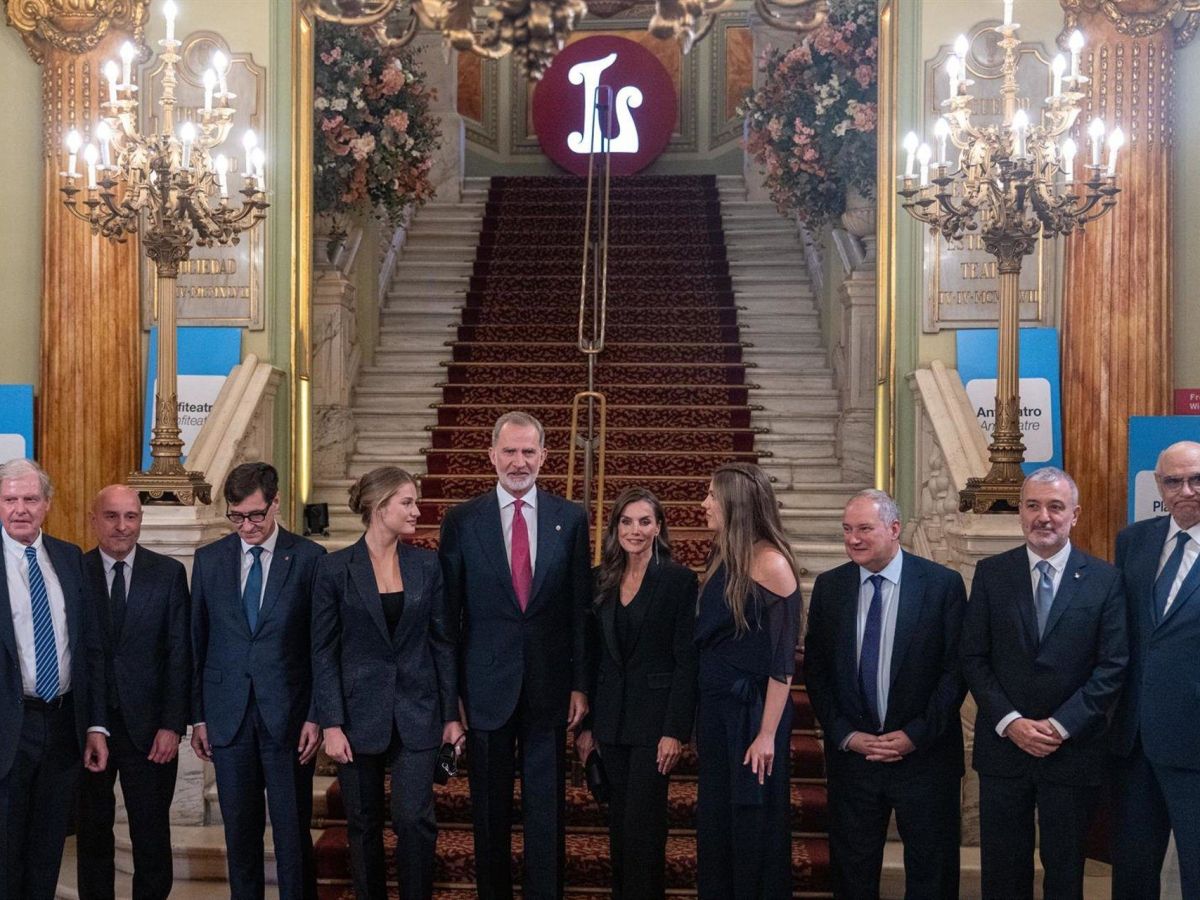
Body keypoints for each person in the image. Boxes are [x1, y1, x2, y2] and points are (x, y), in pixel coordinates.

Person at [438, 410, 591, 900]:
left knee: (547, 814)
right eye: (509, 451)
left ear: (544, 456)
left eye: (528, 451)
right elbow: (448, 620)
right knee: (489, 815)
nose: (519, 462)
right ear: (492, 455)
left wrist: (580, 684)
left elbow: (580, 611)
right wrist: (451, 700)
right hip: (484, 690)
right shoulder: (461, 521)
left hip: (549, 688)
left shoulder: (572, 519)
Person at [961, 467, 1127, 900]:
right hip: (1004, 749)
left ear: (1075, 514)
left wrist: (1059, 726)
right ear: (1020, 512)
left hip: (1072, 751)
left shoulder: (1106, 579)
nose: (1043, 517)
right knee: (1003, 871)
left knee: (1065, 872)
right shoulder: (992, 574)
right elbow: (973, 657)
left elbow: (1112, 667)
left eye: (1055, 507)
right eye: (1032, 506)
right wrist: (1011, 722)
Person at [804, 488, 967, 899]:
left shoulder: (942, 585)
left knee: (932, 876)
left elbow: (956, 671)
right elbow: (817, 671)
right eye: (847, 529)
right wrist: (845, 734)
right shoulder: (830, 587)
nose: (853, 539)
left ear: (894, 529)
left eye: (864, 529)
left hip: (925, 759)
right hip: (854, 761)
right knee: (853, 877)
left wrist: (915, 734)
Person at [312, 467, 463, 899]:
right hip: (357, 716)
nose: (417, 510)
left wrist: (451, 716)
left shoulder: (427, 565)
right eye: (407, 502)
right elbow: (323, 651)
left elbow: (442, 643)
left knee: (414, 819)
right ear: (380, 507)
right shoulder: (334, 569)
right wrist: (331, 723)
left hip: (418, 710)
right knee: (363, 824)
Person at [189, 462, 326, 900]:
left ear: (275, 503)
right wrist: (199, 717)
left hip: (288, 719)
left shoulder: (309, 559)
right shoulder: (209, 561)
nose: (246, 526)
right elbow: (198, 643)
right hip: (228, 718)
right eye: (236, 516)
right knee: (239, 835)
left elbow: (320, 647)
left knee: (291, 834)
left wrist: (316, 715)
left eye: (255, 515)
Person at [576, 487, 699, 900]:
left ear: (658, 527)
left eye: (645, 521)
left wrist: (675, 731)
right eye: (626, 522)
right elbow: (593, 657)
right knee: (619, 826)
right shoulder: (601, 578)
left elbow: (686, 661)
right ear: (615, 528)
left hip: (655, 726)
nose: (635, 530)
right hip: (611, 722)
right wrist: (588, 727)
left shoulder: (679, 581)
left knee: (644, 828)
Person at [0, 457, 108, 900]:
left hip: (63, 726)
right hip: (9, 728)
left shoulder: (69, 558)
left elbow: (89, 649)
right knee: (5, 855)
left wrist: (96, 725)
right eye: (10, 500)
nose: (19, 509)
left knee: (48, 851)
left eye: (30, 499)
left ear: (47, 504)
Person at [77, 484, 191, 900]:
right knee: (92, 833)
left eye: (130, 516)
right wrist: (90, 723)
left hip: (151, 730)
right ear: (94, 520)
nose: (122, 526)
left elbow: (180, 654)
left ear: (141, 520)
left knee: (151, 835)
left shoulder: (168, 573)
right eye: (111, 516)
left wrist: (172, 725)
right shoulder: (74, 572)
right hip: (89, 727)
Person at [694, 462, 800, 900]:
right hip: (718, 710)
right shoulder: (724, 554)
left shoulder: (772, 563)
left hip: (752, 715)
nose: (704, 504)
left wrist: (767, 734)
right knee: (718, 820)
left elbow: (782, 662)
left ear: (735, 505)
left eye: (712, 496)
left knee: (751, 824)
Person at [1111, 440, 1200, 898]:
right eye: (1173, 481)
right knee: (1132, 871)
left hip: (1195, 742)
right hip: (1134, 742)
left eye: (1197, 479)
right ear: (1160, 487)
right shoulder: (1133, 541)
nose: (1186, 490)